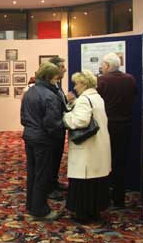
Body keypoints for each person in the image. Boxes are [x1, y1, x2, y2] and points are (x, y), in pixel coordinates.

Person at [63, 71, 111, 223]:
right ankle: (94, 211)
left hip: (88, 148)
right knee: (95, 182)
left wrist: (65, 117)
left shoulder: (84, 99)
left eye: (77, 83)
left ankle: (83, 214)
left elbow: (80, 121)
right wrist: (72, 104)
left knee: (84, 181)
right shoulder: (96, 97)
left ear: (83, 84)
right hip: (98, 146)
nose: (75, 87)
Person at [20, 62, 65, 221]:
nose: (58, 79)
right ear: (51, 77)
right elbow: (52, 123)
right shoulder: (50, 96)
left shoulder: (30, 91)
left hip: (30, 136)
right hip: (43, 140)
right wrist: (65, 124)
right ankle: (40, 210)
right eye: (56, 77)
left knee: (33, 173)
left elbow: (23, 117)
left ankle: (32, 205)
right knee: (42, 175)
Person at [97, 52, 137, 208]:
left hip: (106, 127)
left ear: (107, 66)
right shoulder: (130, 79)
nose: (101, 67)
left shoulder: (102, 81)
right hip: (125, 126)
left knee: (104, 162)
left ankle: (104, 197)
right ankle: (119, 198)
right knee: (120, 162)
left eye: (102, 65)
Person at [47, 56, 69, 196]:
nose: (65, 69)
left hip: (59, 130)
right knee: (50, 161)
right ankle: (49, 188)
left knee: (56, 159)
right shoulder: (48, 87)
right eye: (62, 67)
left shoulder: (56, 85)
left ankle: (54, 183)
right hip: (52, 132)